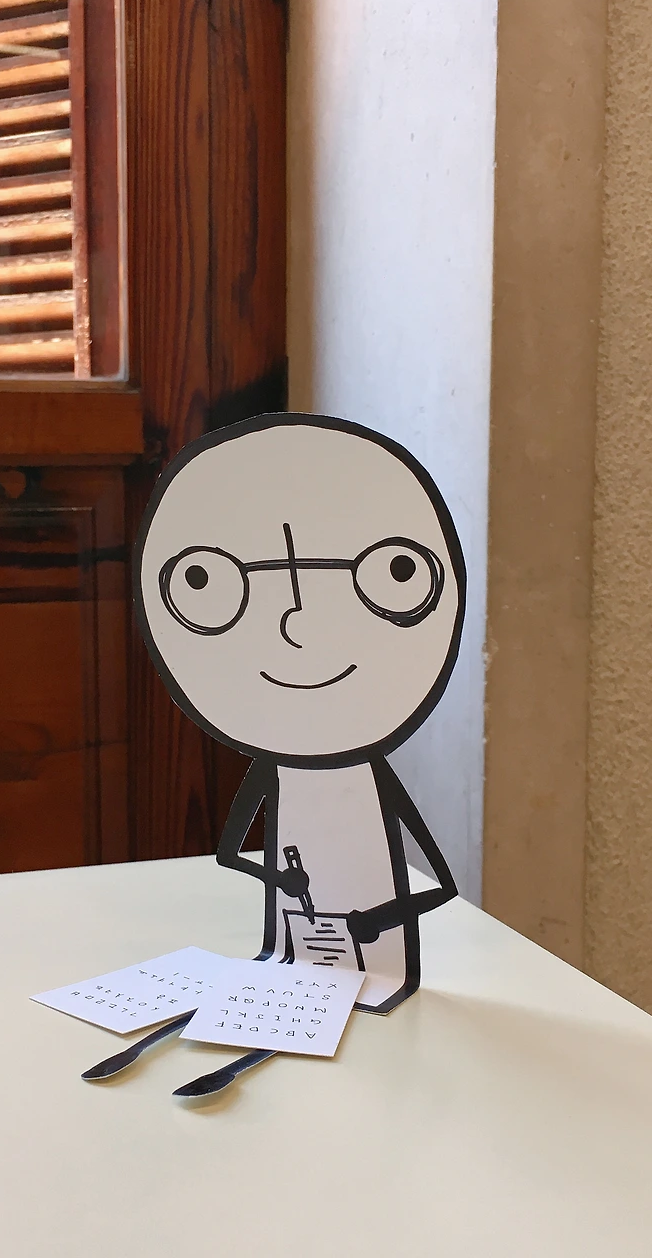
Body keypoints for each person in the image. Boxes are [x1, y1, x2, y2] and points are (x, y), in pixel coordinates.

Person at [135, 413, 465, 1013]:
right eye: (205, 581)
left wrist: (375, 921)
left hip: (379, 961)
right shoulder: (276, 770)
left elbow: (440, 885)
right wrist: (282, 882)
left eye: (396, 573)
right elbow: (231, 853)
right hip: (296, 955)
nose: (295, 624)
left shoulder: (368, 779)